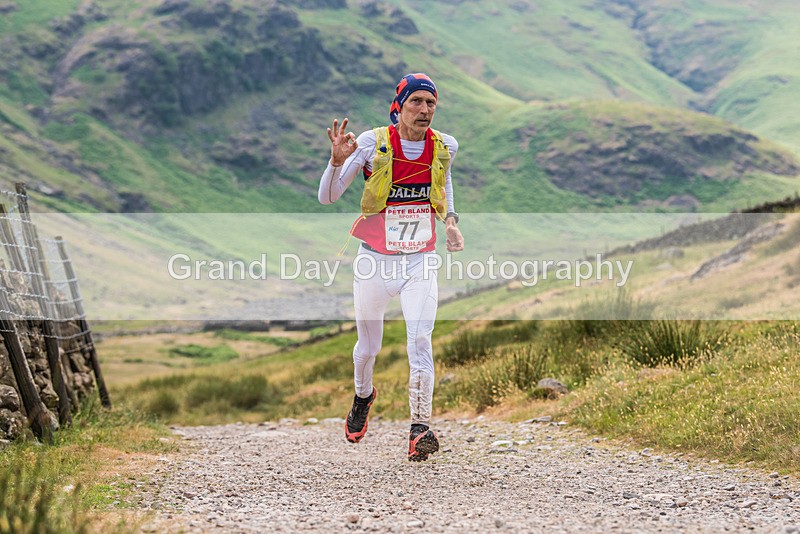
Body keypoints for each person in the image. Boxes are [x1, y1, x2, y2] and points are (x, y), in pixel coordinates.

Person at [317, 73, 463, 461]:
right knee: (368, 348)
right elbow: (328, 197)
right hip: (374, 262)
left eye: (431, 103)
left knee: (420, 340)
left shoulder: (444, 146)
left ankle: (420, 428)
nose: (425, 109)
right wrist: (335, 162)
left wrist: (450, 222)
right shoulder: (372, 143)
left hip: (420, 261)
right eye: (416, 101)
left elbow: (444, 186)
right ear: (398, 107)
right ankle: (363, 396)